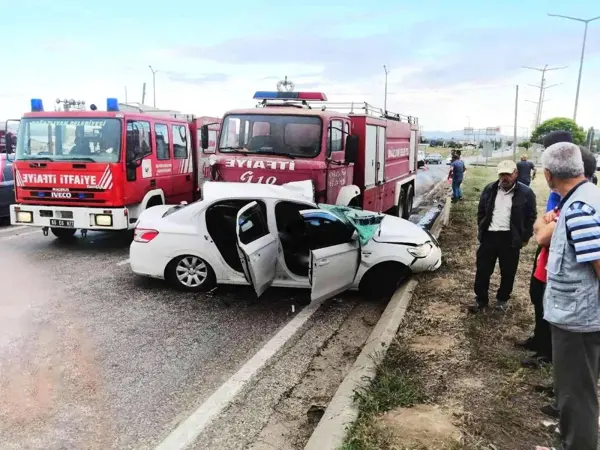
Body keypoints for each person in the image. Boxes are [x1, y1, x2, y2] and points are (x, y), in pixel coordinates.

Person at [535, 141, 600, 450]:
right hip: (574, 314)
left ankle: (578, 443)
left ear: (548, 175)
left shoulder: (579, 210)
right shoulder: (584, 197)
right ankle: (569, 436)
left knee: (578, 394)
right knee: (572, 390)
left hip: (579, 320)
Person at [519, 132, 575, 367]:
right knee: (536, 293)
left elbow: (545, 232)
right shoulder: (557, 182)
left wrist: (545, 224)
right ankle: (539, 338)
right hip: (548, 240)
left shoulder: (572, 177)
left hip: (556, 244)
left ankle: (547, 351)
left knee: (547, 300)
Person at [470, 160, 537, 313]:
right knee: (483, 270)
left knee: (508, 271)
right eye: (502, 174)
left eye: (508, 174)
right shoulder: (489, 189)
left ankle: (502, 299)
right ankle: (481, 300)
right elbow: (481, 211)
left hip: (510, 238)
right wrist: (482, 227)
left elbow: (531, 216)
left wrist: (525, 237)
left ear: (516, 174)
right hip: (489, 236)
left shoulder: (526, 193)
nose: (505, 177)